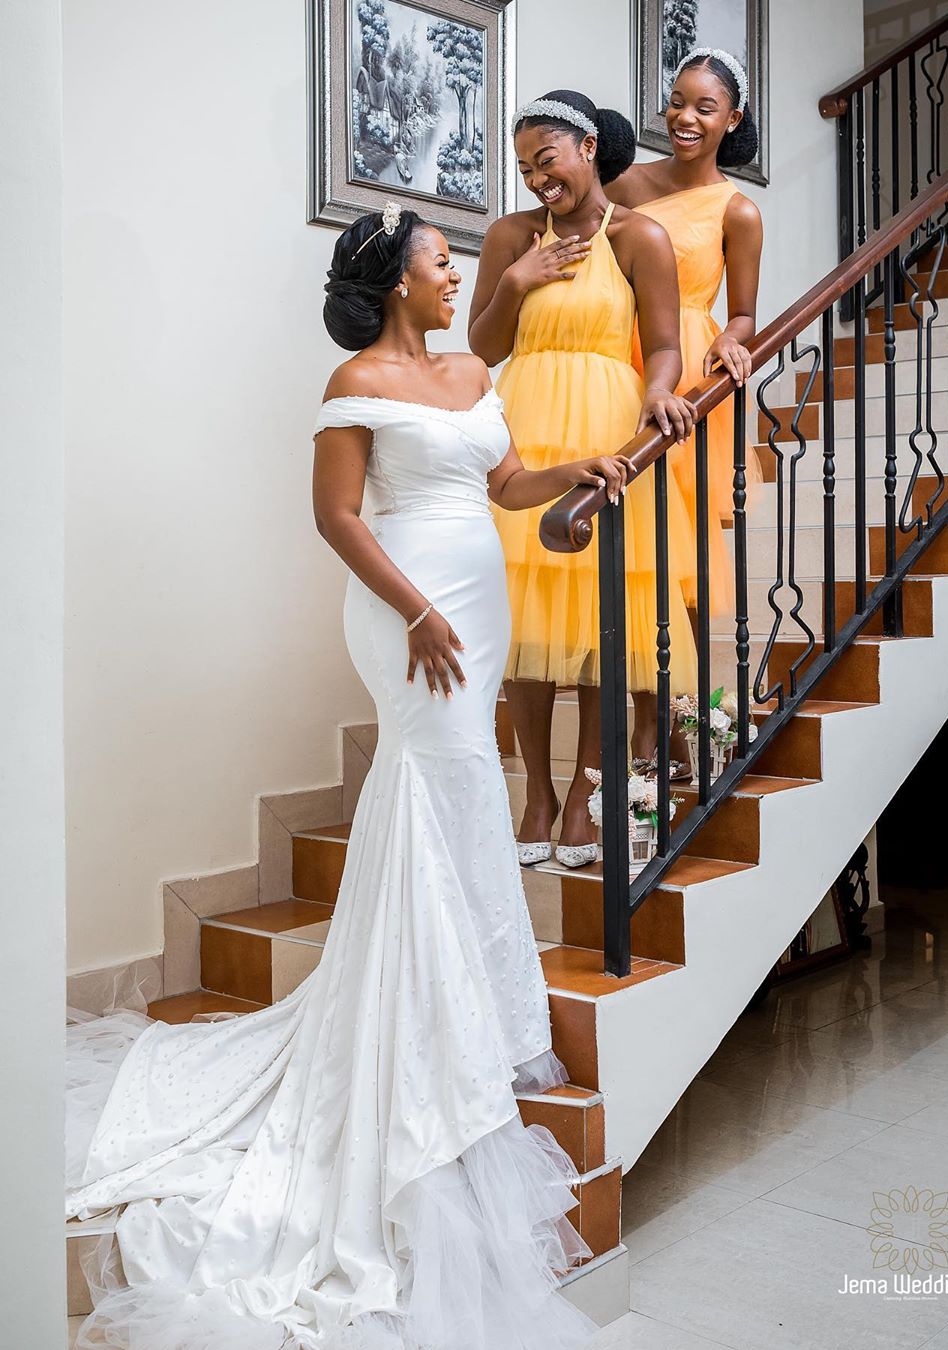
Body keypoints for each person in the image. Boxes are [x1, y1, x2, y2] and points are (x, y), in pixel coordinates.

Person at [64, 201, 633, 1350]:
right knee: (435, 779)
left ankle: (471, 1010)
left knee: (464, 792)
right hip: (406, 611)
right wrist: (415, 609)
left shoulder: (473, 371)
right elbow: (335, 517)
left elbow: (510, 483)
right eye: (439, 262)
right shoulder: (353, 381)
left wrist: (581, 466)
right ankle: (427, 1023)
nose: (455, 274)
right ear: (397, 282)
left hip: (478, 601)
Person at [469, 89, 699, 869]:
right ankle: (536, 795)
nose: (539, 180)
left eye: (548, 161)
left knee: (608, 623)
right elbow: (483, 348)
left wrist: (660, 391)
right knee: (527, 626)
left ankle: (581, 798)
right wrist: (517, 281)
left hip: (608, 431)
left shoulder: (640, 237)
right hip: (528, 435)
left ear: (588, 148)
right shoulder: (510, 236)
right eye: (525, 169)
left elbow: (663, 344)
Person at [607, 47, 764, 622]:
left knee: (680, 524)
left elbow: (743, 313)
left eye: (704, 107)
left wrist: (731, 339)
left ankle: (680, 675)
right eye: (676, 103)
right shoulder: (624, 183)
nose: (685, 118)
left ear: (732, 119)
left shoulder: (738, 212)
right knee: (616, 497)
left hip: (688, 362)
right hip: (615, 349)